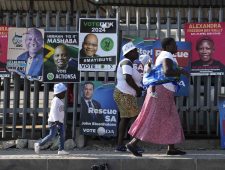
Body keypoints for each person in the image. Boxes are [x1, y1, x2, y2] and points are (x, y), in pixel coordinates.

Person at [126, 37, 189, 157]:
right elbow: (167, 71)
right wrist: (181, 71)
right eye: (174, 45)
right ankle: (133, 143)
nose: (176, 47)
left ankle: (171, 147)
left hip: (162, 90)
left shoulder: (165, 55)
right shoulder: (167, 55)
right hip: (162, 91)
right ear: (168, 46)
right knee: (153, 117)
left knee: (171, 118)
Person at [113, 41, 143, 152]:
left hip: (125, 94)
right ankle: (132, 145)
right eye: (135, 51)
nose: (137, 52)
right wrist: (137, 89)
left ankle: (120, 145)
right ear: (129, 53)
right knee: (135, 119)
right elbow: (128, 77)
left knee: (125, 119)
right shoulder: (126, 62)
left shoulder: (129, 63)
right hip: (124, 94)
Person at [34, 83, 69, 155]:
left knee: (62, 135)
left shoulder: (59, 100)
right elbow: (54, 112)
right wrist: (57, 122)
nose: (65, 94)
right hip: (54, 122)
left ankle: (61, 150)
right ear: (59, 93)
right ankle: (39, 144)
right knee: (51, 135)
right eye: (64, 93)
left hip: (59, 121)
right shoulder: (56, 101)